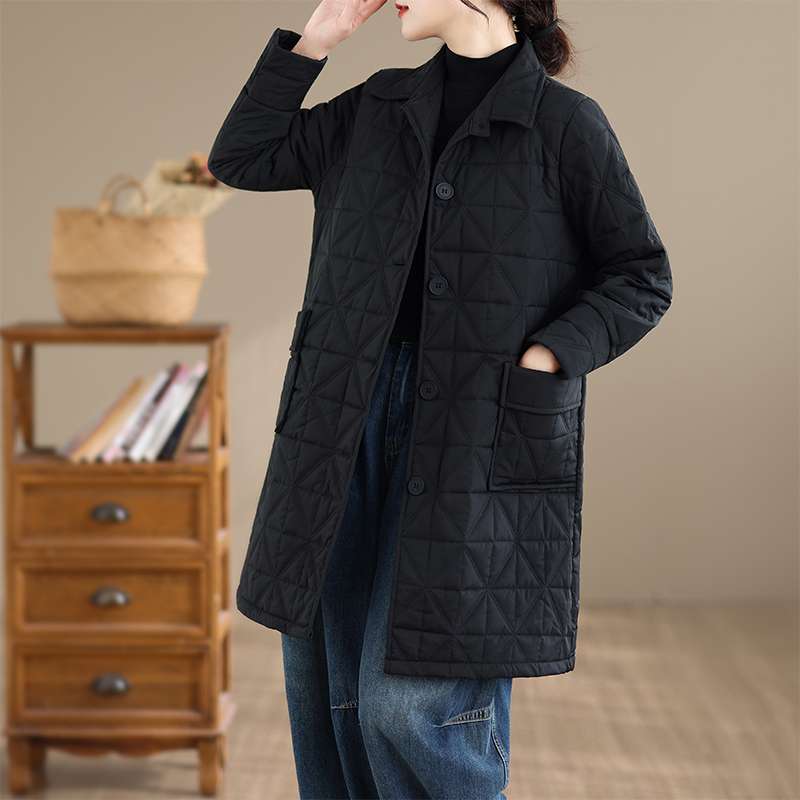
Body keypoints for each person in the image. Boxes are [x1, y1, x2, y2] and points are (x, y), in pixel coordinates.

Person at [208, 0, 673, 797]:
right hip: (342, 418)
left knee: (409, 704)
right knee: (333, 692)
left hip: (478, 425)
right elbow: (243, 156)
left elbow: (642, 274)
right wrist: (317, 39)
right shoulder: (378, 105)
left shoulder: (565, 124)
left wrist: (548, 355)